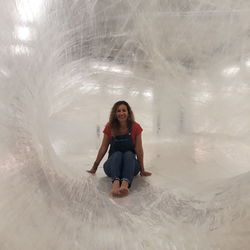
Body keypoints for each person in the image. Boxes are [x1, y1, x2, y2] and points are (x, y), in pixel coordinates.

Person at [87, 100, 152, 197]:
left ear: (128, 113)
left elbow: (139, 150)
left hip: (130, 167)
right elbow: (103, 147)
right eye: (118, 111)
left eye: (124, 110)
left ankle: (125, 184)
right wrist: (94, 167)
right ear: (115, 113)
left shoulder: (136, 127)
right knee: (117, 154)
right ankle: (115, 183)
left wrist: (142, 170)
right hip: (112, 167)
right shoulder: (110, 127)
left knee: (129, 154)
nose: (121, 113)